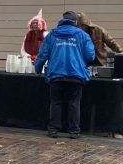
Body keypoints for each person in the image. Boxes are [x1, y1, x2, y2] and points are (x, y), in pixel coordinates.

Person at [34, 11, 95, 139]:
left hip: (56, 74)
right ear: (75, 22)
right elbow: (90, 56)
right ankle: (74, 131)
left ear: (62, 20)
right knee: (74, 103)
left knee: (56, 102)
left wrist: (38, 69)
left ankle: (53, 130)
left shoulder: (52, 35)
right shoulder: (83, 35)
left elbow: (42, 54)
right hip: (76, 74)